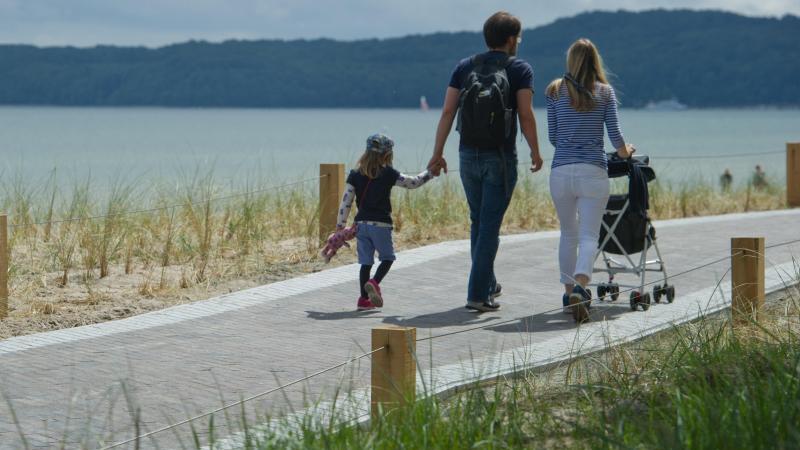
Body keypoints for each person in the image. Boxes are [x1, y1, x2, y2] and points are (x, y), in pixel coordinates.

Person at [427, 11, 544, 312]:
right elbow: (526, 115)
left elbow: (447, 113)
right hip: (500, 157)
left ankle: (488, 283)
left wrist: (437, 152)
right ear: (509, 39)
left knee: (478, 222)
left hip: (467, 154)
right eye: (518, 37)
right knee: (489, 226)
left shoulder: (464, 67)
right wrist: (535, 150)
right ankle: (477, 294)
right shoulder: (520, 69)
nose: (518, 41)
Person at [545, 38, 636, 323]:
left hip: (560, 172)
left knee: (567, 234)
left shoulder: (554, 91)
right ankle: (583, 287)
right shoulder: (605, 93)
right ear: (595, 60)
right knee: (588, 236)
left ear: (570, 60)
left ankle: (568, 292)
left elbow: (553, 137)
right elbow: (616, 137)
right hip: (592, 172)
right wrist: (627, 152)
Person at [337, 133, 436, 310]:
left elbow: (346, 201)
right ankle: (375, 283)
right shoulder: (388, 173)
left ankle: (363, 300)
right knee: (388, 258)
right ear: (387, 155)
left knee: (365, 263)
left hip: (361, 226)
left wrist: (340, 227)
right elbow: (412, 183)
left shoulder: (355, 174)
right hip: (381, 225)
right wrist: (429, 173)